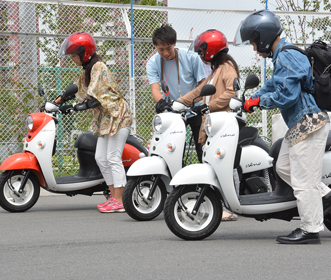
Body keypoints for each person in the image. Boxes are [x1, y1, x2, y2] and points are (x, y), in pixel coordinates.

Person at [235, 10, 331, 243]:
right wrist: (252, 99)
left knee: (304, 180)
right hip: (300, 124)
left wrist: (260, 102)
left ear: (263, 37)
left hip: (309, 123)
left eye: (254, 43)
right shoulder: (282, 56)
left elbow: (286, 96)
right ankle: (329, 197)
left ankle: (311, 230)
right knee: (284, 167)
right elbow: (274, 86)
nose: (255, 49)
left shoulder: (287, 56)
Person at [58, 31, 132, 213]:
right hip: (106, 119)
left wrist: (74, 107)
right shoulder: (87, 72)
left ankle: (120, 200)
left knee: (113, 157)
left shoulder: (98, 67)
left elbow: (91, 97)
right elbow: (76, 91)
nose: (72, 59)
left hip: (118, 117)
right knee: (100, 157)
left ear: (84, 53)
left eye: (74, 55)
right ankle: (113, 197)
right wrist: (57, 102)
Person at [177, 29, 240, 221]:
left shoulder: (227, 67)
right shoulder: (216, 69)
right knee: (212, 164)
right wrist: (178, 103)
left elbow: (231, 93)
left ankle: (229, 206)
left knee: (225, 166)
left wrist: (207, 107)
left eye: (201, 50)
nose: (199, 54)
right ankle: (220, 205)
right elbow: (199, 90)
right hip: (214, 125)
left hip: (223, 125)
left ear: (210, 49)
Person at [146, 25, 206, 162]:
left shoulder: (191, 58)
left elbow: (202, 84)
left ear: (174, 44)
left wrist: (189, 101)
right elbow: (155, 89)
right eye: (160, 49)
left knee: (201, 148)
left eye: (169, 48)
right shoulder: (152, 63)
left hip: (194, 108)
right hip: (173, 111)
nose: (165, 53)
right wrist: (160, 102)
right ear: (155, 47)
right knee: (173, 150)